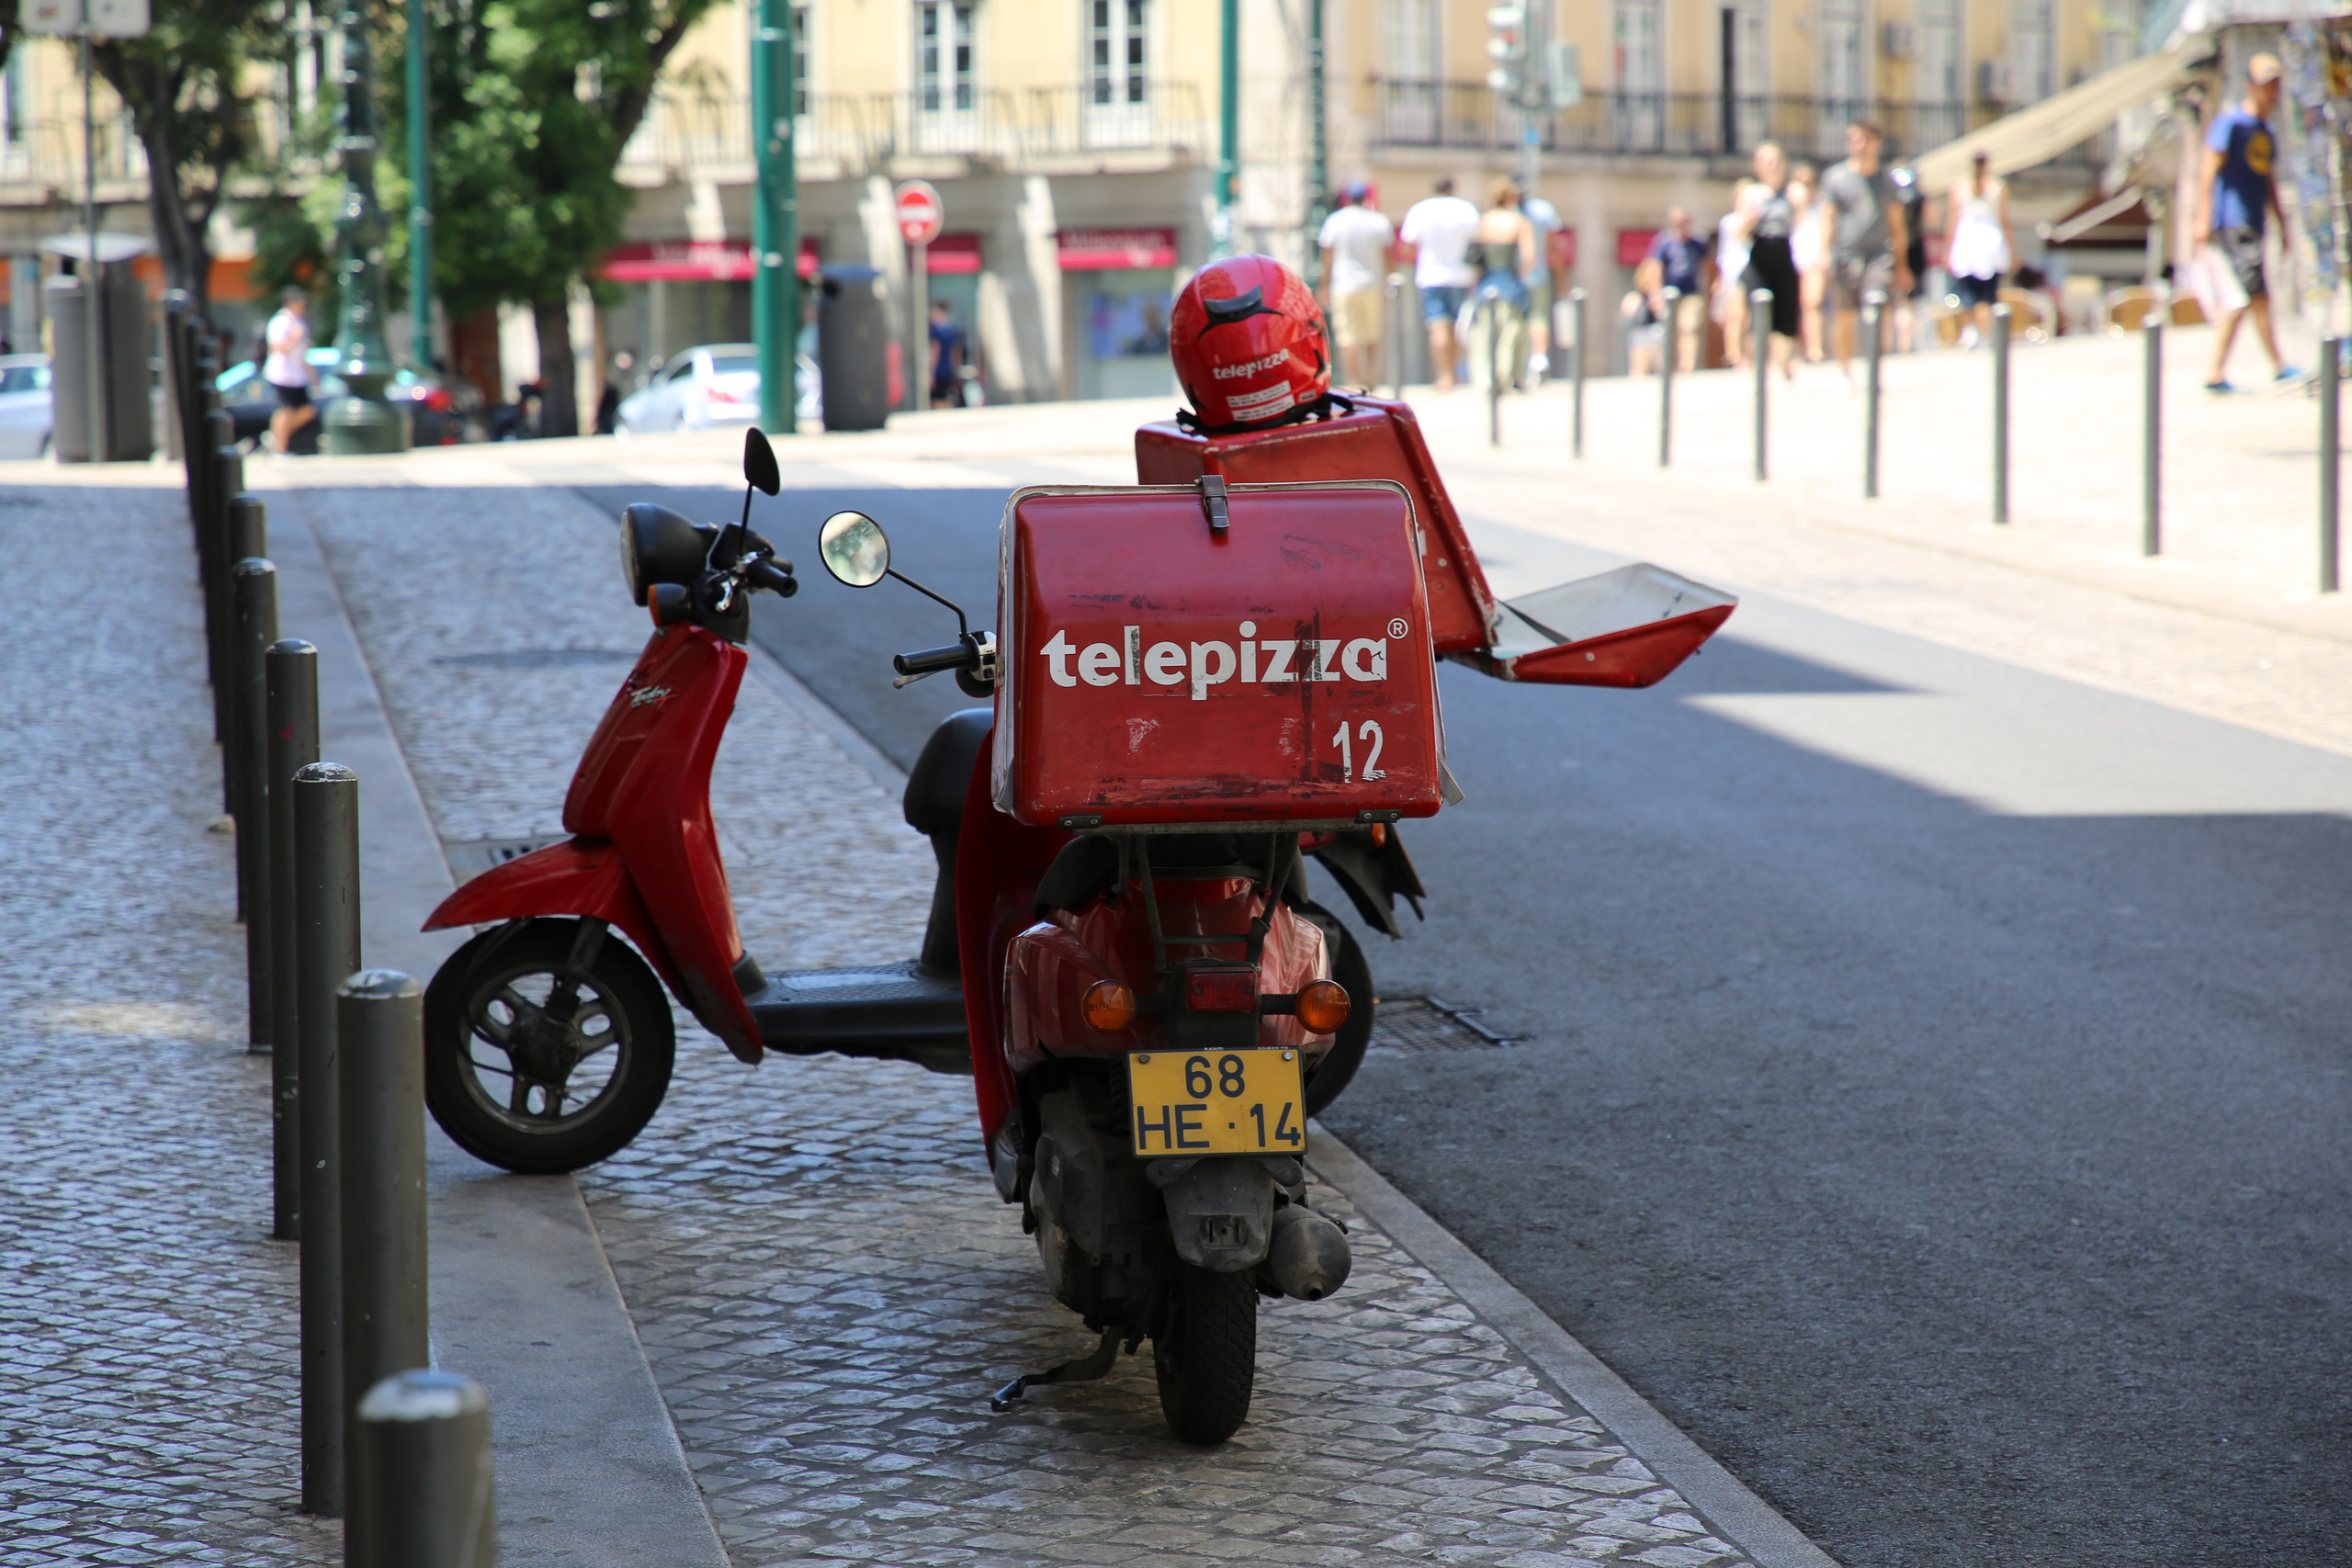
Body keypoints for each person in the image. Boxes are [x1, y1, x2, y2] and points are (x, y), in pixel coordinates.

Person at [2196, 51, 2296, 392]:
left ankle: (2216, 373)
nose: (2272, 91)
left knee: (2240, 298)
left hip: (2255, 221)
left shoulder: (2265, 130)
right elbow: (2208, 171)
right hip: (2233, 220)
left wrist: (2282, 223)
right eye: (2266, 85)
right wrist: (2202, 218)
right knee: (2254, 295)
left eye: (2276, 85)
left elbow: (2267, 181)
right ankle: (2277, 365)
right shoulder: (2230, 122)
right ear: (2250, 85)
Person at [1816, 120, 1912, 379]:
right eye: (1853, 139)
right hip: (1846, 255)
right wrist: (1824, 253)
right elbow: (1828, 219)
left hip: (1878, 255)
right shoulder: (1835, 178)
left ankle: (1874, 368)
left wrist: (1902, 265)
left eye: (1863, 139)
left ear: (1876, 142)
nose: (1857, 145)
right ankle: (1845, 369)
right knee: (1845, 317)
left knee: (1875, 307)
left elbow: (1897, 225)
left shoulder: (1887, 180)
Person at [1399, 176, 1482, 389]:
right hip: (1462, 276)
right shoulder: (1466, 210)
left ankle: (1443, 375)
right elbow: (1478, 241)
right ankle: (1453, 373)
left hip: (1431, 276)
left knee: (1438, 325)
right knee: (1456, 327)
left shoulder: (1422, 210)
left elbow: (1406, 246)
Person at [1317, 181, 1396, 389]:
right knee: (1372, 335)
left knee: (1348, 335)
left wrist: (1324, 286)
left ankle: (1353, 381)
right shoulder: (1379, 221)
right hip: (1373, 283)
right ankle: (1370, 378)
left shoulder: (1335, 221)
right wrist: (1389, 281)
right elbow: (1388, 255)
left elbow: (1327, 258)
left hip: (1344, 285)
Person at [1735, 141, 1802, 381]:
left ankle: (1783, 362)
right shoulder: (1751, 194)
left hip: (1783, 253)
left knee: (1786, 313)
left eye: (1775, 160)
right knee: (1758, 311)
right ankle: (1758, 366)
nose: (1771, 165)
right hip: (1759, 254)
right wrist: (1751, 218)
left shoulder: (1794, 193)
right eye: (1765, 160)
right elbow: (1739, 234)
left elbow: (1799, 224)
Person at [1465, 178, 1538, 393]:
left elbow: (1475, 258)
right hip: (1509, 280)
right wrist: (1519, 275)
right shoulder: (1519, 222)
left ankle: (1484, 378)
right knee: (1511, 330)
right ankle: (1507, 376)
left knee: (1484, 332)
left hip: (1487, 281)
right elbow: (1529, 256)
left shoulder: (1484, 221)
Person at [1944, 150, 2016, 348]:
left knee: (1967, 292)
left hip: (1967, 239)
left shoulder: (1959, 187)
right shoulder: (1998, 187)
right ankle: (1985, 333)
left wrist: (1948, 249)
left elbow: (1953, 220)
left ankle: (1973, 331)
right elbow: (2004, 219)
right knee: (1987, 294)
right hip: (1989, 241)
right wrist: (2012, 250)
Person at [1648, 208, 1709, 372]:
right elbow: (1655, 268)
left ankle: (1687, 367)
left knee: (1690, 329)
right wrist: (1656, 294)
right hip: (1669, 295)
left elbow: (1707, 265)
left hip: (1691, 293)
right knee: (1669, 331)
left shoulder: (1698, 242)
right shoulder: (1664, 242)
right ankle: (1667, 368)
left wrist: (1710, 288)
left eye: (1683, 223)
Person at [263, 288, 317, 455]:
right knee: (285, 410)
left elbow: (303, 354)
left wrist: (313, 376)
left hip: (297, 376)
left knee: (307, 410)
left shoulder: (299, 323)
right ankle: (279, 448)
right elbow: (276, 347)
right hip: (282, 374)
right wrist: (293, 338)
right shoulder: (280, 322)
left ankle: (276, 436)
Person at [1520, 186, 1566, 378]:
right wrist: (1562, 279)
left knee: (1520, 323)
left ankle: (1527, 364)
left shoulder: (1507, 212)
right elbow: (1553, 248)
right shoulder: (1543, 210)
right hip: (1538, 275)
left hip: (1512, 279)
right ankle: (1538, 359)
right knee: (1538, 318)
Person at [1789, 162, 1826, 362]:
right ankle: (1796, 350)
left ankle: (1815, 348)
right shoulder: (1787, 206)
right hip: (1790, 259)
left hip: (1812, 259)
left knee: (1812, 302)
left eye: (1808, 182)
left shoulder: (1821, 206)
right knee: (1791, 306)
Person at [1715, 205, 1751, 369]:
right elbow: (1725, 251)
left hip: (1754, 272)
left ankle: (1749, 354)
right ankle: (1734, 355)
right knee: (1734, 316)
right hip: (1735, 274)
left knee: (1749, 317)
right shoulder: (1730, 222)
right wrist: (1720, 279)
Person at [1622, 257, 1666, 378]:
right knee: (1639, 369)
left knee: (1662, 368)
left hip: (1657, 333)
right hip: (1640, 333)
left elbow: (1664, 314)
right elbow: (1627, 311)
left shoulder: (1662, 295)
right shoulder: (1636, 296)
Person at [928, 298, 966, 406]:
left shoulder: (936, 331)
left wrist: (930, 373)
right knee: (947, 399)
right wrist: (956, 370)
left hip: (938, 372)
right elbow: (957, 352)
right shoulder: (953, 330)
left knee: (937, 401)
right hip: (949, 371)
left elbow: (934, 352)